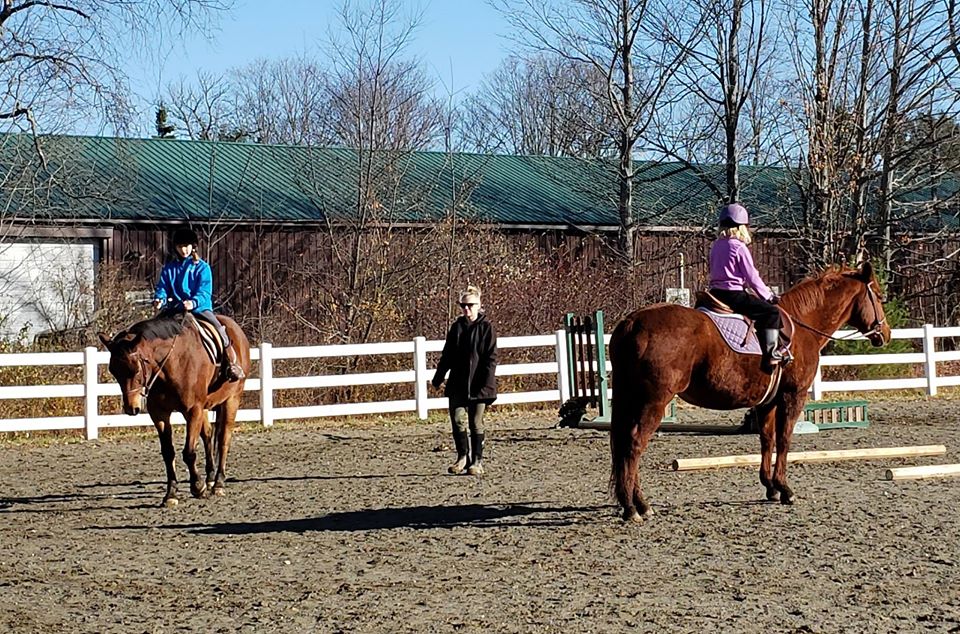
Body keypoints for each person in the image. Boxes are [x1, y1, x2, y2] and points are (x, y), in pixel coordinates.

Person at [153, 227, 245, 382]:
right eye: (180, 246)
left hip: (199, 309)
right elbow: (163, 287)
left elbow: (205, 291)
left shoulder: (202, 267)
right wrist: (159, 299)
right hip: (174, 308)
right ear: (175, 247)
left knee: (219, 329)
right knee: (153, 330)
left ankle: (231, 364)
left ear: (193, 246)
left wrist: (193, 302)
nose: (184, 250)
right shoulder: (169, 269)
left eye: (187, 246)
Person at [708, 203, 785, 373]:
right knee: (771, 313)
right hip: (733, 295)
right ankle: (772, 353)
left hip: (714, 294)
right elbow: (752, 276)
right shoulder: (738, 247)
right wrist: (768, 296)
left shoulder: (716, 246)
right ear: (742, 227)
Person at [432, 285, 498, 476]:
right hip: (458, 383)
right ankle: (462, 457)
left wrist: (487, 383)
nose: (466, 309)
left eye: (470, 305)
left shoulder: (487, 328)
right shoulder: (457, 328)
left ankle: (477, 461)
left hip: (479, 383)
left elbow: (490, 358)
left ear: (479, 305)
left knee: (476, 422)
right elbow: (447, 355)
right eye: (463, 305)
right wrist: (438, 377)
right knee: (457, 420)